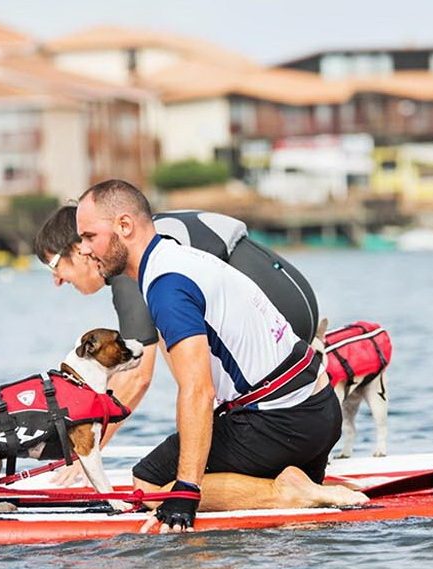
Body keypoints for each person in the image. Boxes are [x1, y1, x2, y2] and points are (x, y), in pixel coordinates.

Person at [68, 179, 363, 534]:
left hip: (284, 424)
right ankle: (299, 480)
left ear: (125, 226)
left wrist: (187, 490)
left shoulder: (167, 285)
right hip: (319, 414)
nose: (83, 249)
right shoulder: (180, 257)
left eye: (88, 236)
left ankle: (282, 492)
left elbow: (198, 391)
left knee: (146, 484)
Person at [33, 205, 319, 485]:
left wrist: (86, 453)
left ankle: (277, 482)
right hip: (288, 298)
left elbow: (136, 377)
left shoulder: (130, 266)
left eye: (53, 264)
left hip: (281, 312)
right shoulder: (142, 245)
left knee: (158, 475)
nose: (56, 279)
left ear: (80, 247)